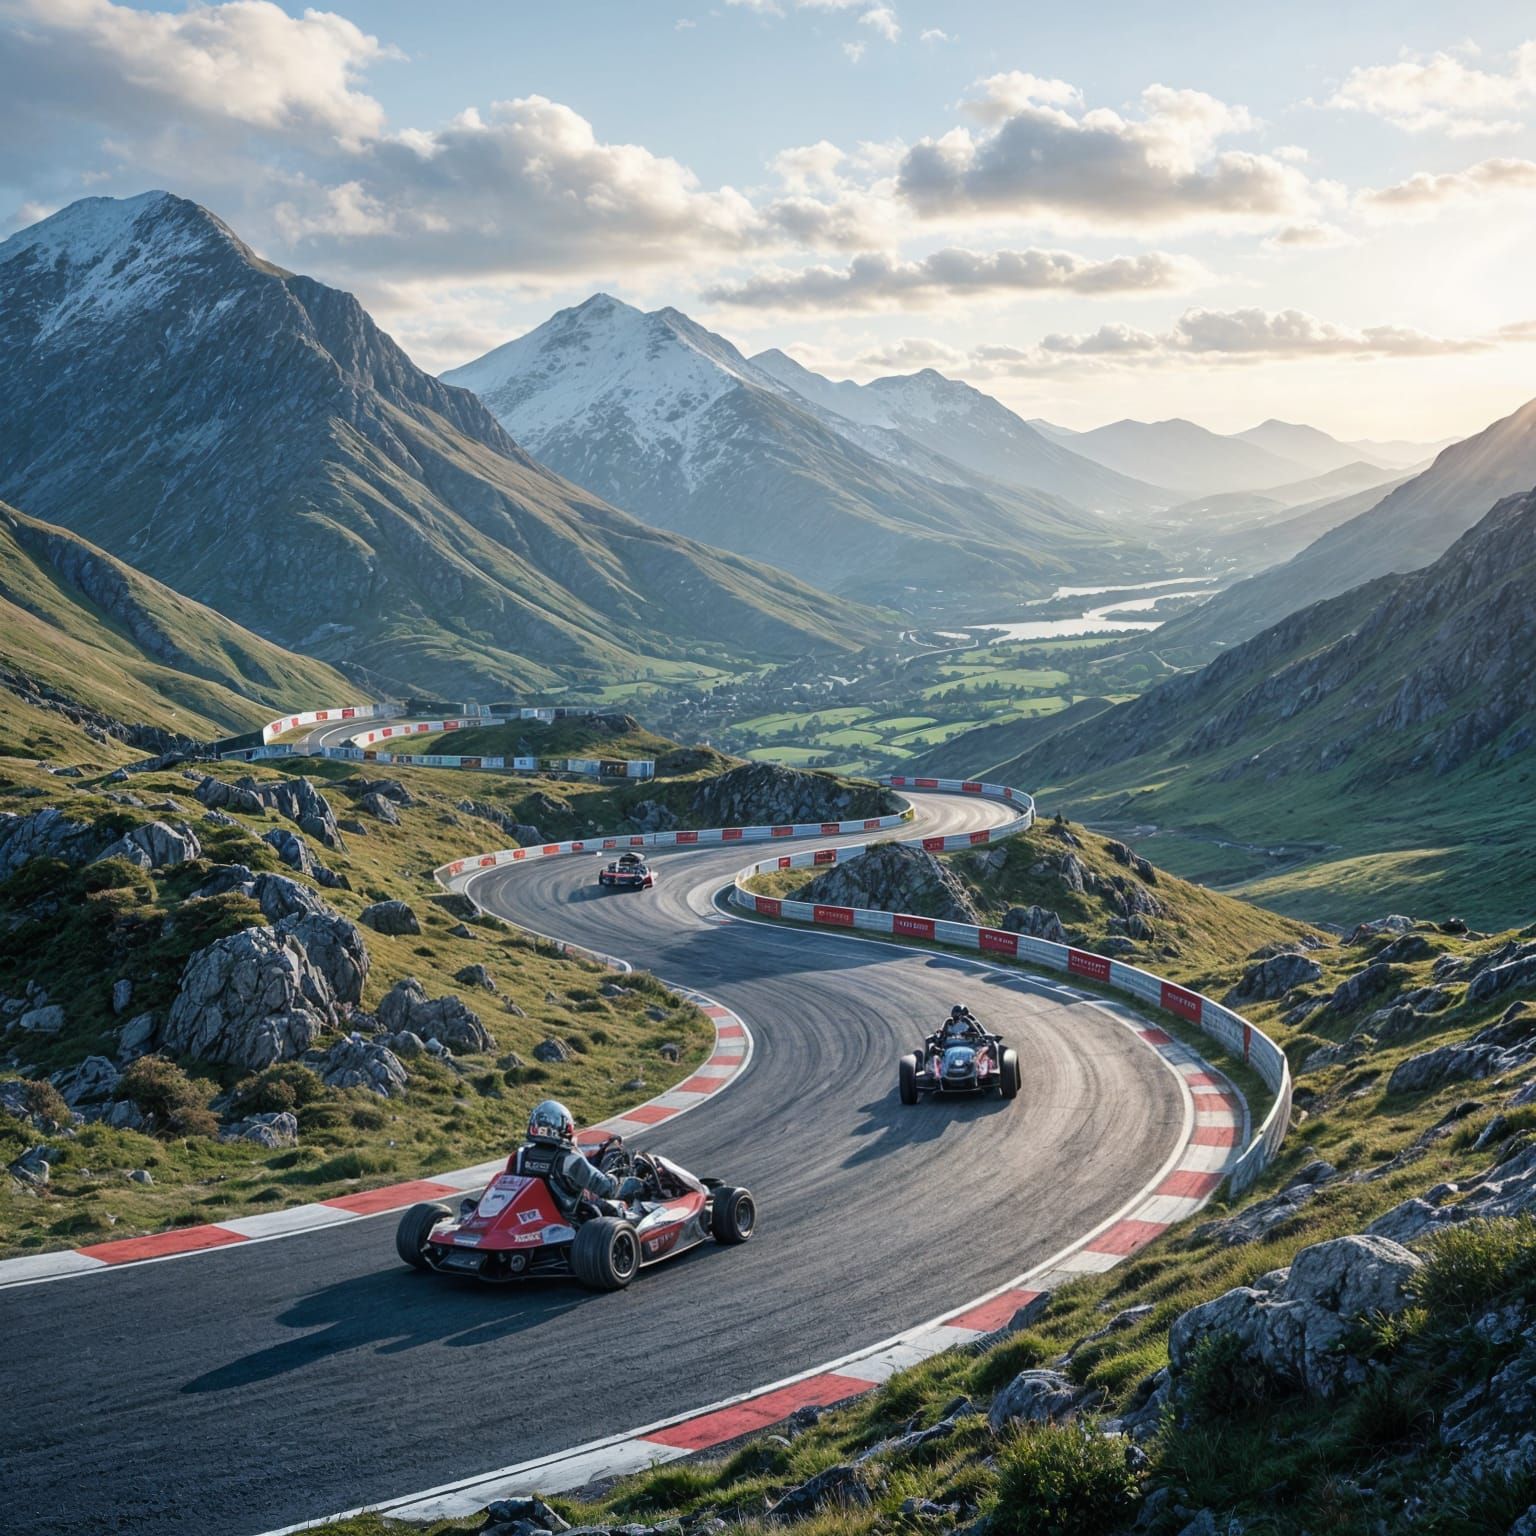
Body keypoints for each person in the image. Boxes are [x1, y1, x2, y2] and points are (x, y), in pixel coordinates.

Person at [514, 1100, 646, 1215]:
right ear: (564, 1128)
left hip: (537, 1216)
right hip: (573, 1220)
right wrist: (615, 1178)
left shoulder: (521, 1155)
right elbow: (607, 1188)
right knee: (625, 1198)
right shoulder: (569, 1159)